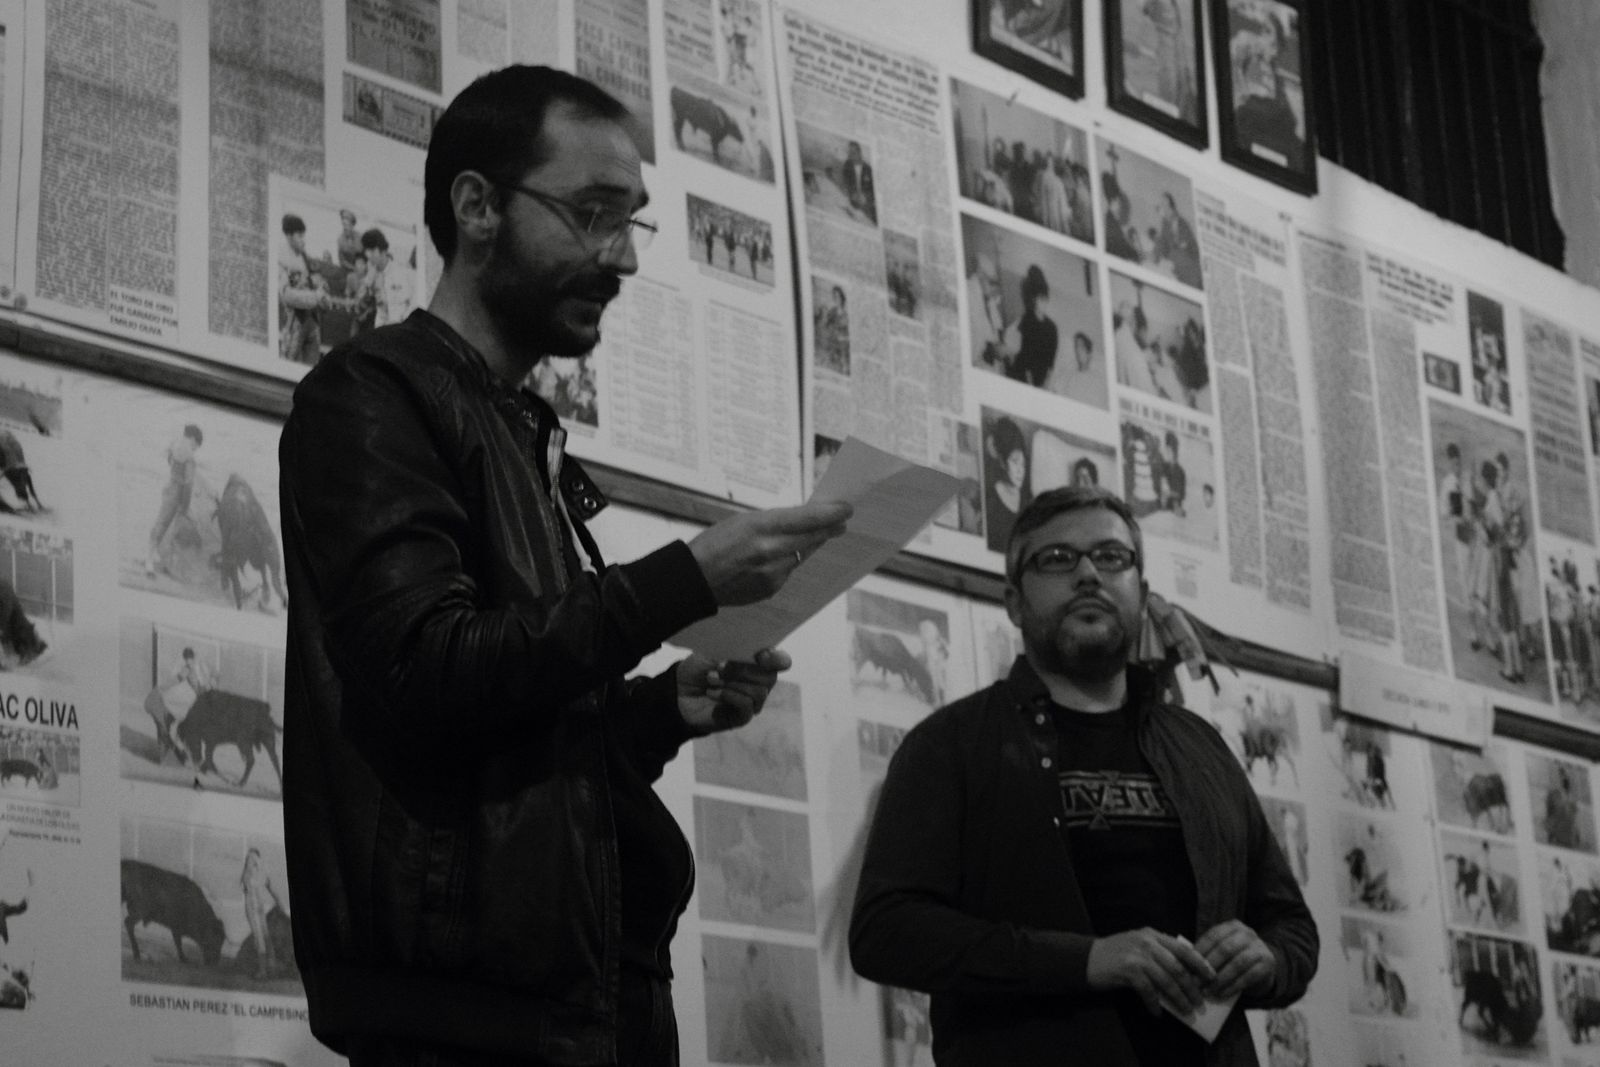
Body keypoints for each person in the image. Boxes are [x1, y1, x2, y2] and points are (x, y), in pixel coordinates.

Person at [278, 65, 852, 1066]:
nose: (620, 256)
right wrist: (684, 578)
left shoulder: (516, 426)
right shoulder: (371, 393)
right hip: (468, 1021)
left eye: (631, 222)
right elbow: (425, 668)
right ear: (477, 207)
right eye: (592, 214)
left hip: (582, 1000)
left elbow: (517, 726)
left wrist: (664, 709)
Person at [851, 486, 1317, 1063]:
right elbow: (885, 932)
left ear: (1141, 592)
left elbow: (1292, 928)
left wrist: (1267, 959)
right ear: (1014, 602)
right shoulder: (950, 746)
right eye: (1057, 559)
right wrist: (1087, 961)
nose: (1089, 574)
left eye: (1111, 556)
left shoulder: (1202, 748)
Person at [146, 423, 203, 577]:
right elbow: (188, 484)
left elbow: (169, 459)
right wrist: (185, 506)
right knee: (164, 524)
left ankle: (154, 553)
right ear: (193, 439)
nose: (195, 449)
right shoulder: (190, 458)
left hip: (169, 487)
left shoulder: (175, 445)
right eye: (196, 445)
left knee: (162, 522)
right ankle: (149, 559)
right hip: (177, 494)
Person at [279, 214, 330, 364]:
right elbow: (287, 296)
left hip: (312, 322)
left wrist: (323, 296)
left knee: (311, 370)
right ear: (289, 236)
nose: (303, 240)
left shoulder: (305, 258)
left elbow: (318, 284)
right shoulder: (281, 260)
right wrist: (316, 297)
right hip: (293, 322)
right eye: (299, 236)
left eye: (303, 235)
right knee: (288, 365)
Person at [1006, 264, 1058, 388]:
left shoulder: (1052, 328)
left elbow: (1051, 362)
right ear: (1034, 300)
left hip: (1040, 380)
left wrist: (1045, 384)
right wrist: (1030, 386)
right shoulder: (1027, 321)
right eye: (1040, 299)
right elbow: (1025, 357)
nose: (1044, 303)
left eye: (1045, 299)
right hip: (1022, 376)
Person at [984, 416, 1030, 553]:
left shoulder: (1027, 497)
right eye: (1015, 461)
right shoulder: (990, 499)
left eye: (1023, 464)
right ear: (1003, 463)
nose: (1020, 470)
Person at [240, 847, 286, 980]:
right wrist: (280, 903)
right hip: (256, 907)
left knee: (262, 938)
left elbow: (269, 888)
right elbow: (269, 888)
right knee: (263, 937)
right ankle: (269, 968)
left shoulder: (253, 873)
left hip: (255, 908)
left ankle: (264, 971)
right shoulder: (253, 874)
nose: (250, 861)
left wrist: (279, 903)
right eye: (249, 858)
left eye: (253, 858)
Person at [355, 228, 413, 329]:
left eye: (372, 250)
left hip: (401, 326)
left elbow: (411, 303)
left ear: (383, 251)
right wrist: (367, 284)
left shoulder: (401, 272)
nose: (369, 255)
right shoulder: (370, 276)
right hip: (381, 326)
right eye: (367, 250)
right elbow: (360, 304)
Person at [841, 140, 876, 223]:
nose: (850, 156)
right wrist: (851, 192)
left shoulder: (868, 169)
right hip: (852, 202)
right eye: (849, 153)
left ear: (860, 153)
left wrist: (866, 197)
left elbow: (873, 191)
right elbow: (846, 182)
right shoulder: (847, 165)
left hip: (866, 205)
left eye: (853, 153)